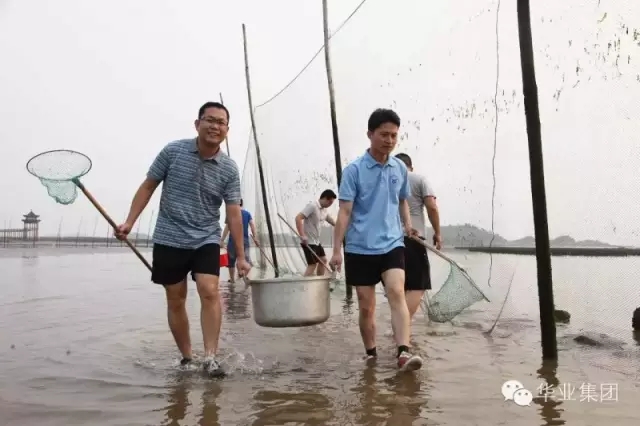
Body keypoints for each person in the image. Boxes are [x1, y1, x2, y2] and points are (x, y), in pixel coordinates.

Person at [114, 101, 251, 377]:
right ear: (197, 124)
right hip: (169, 235)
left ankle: (210, 357)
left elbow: (233, 213)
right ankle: (188, 357)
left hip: (206, 236)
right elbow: (148, 186)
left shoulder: (228, 168)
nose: (215, 126)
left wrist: (242, 257)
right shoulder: (173, 151)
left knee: (209, 290)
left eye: (221, 122)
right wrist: (129, 222)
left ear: (227, 130)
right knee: (176, 299)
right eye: (209, 120)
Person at [330, 108, 423, 371]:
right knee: (366, 306)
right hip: (359, 246)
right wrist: (336, 250)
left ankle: (403, 352)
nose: (389, 140)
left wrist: (407, 225)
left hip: (392, 242)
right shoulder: (354, 171)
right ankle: (371, 355)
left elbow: (401, 201)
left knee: (396, 292)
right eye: (384, 135)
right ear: (370, 134)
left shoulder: (399, 168)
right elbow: (344, 212)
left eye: (394, 135)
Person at [394, 153, 442, 320]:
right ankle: (400, 327)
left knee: (399, 288)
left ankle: (399, 328)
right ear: (411, 167)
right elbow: (432, 206)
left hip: (389, 242)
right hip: (412, 239)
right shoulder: (419, 179)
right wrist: (437, 232)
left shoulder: (387, 181)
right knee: (417, 287)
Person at [295, 189, 337, 276]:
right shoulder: (312, 206)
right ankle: (304, 283)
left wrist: (341, 227)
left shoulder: (324, 210)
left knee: (323, 260)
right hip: (308, 241)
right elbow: (298, 218)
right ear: (325, 198)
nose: (330, 205)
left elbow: (331, 220)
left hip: (316, 241)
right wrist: (302, 235)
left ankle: (319, 280)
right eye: (330, 202)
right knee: (312, 265)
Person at [220, 199, 258, 283]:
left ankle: (232, 280)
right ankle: (244, 277)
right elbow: (252, 225)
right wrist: (255, 238)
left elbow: (227, 227)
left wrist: (222, 240)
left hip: (232, 241)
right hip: (244, 241)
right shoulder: (247, 214)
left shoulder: (230, 214)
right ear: (241, 204)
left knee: (231, 261)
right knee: (246, 260)